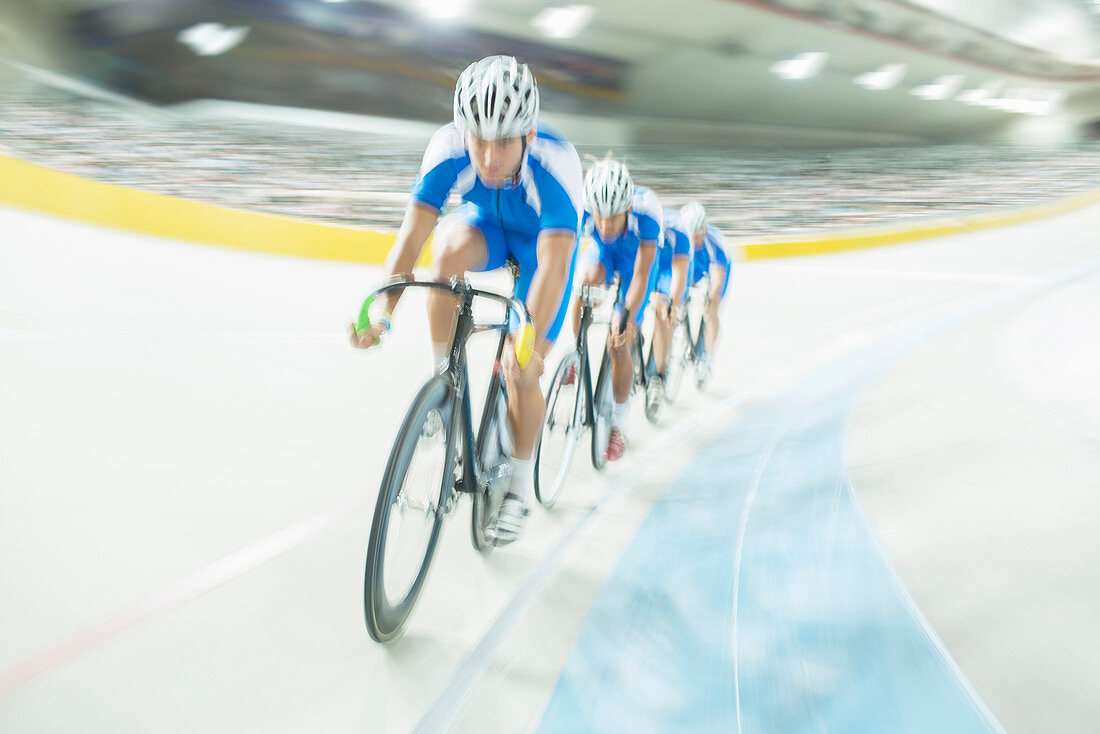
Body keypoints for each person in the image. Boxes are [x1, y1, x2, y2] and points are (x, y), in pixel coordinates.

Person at [348, 55, 582, 545]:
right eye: (478, 140)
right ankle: (445, 385)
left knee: (524, 371)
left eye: (503, 143)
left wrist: (528, 348)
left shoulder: (556, 165)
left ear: (529, 136)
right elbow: (411, 236)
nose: (490, 158)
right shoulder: (446, 149)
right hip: (489, 230)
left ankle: (518, 489)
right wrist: (383, 312)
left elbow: (556, 267)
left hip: (543, 248)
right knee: (445, 251)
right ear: (462, 132)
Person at [566, 157, 661, 460]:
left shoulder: (647, 212)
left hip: (637, 265)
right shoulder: (581, 208)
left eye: (613, 217)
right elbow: (565, 261)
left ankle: (619, 423)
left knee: (620, 343)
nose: (604, 226)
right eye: (599, 217)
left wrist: (625, 317)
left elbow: (643, 276)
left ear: (628, 209)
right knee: (582, 286)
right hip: (605, 255)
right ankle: (576, 354)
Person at [680, 202, 731, 375]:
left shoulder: (714, 243)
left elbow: (717, 278)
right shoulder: (681, 237)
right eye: (690, 236)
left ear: (703, 231)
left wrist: (712, 295)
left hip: (714, 265)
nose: (693, 240)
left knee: (712, 308)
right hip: (692, 262)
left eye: (696, 236)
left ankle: (707, 358)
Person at [647, 206, 692, 383]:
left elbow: (678, 274)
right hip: (651, 260)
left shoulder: (677, 230)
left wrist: (672, 303)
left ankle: (660, 374)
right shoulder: (643, 225)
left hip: (669, 266)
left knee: (663, 308)